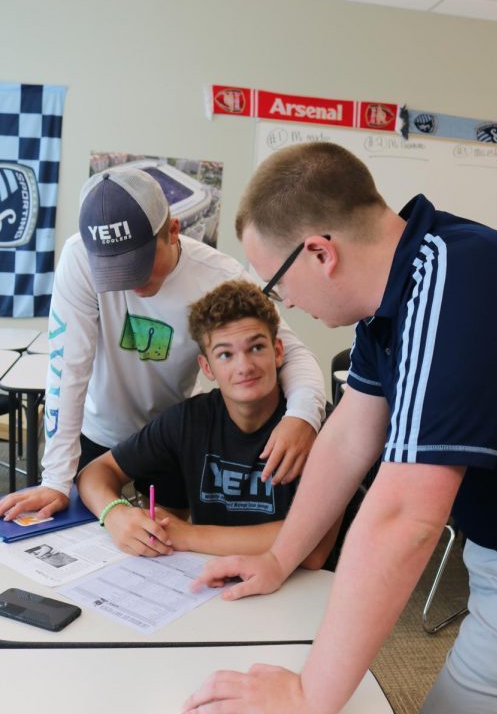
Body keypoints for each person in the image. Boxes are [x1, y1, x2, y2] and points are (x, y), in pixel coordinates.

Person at [179, 142, 497, 714]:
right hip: (494, 549)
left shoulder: (451, 276)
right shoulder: (401, 291)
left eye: (277, 284)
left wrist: (309, 698)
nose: (285, 304)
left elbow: (402, 517)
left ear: (318, 252)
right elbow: (350, 437)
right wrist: (277, 557)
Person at [0, 166, 326, 523]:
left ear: (173, 231)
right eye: (115, 268)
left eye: (140, 263)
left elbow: (290, 351)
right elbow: (68, 366)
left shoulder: (218, 275)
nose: (130, 281)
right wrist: (55, 480)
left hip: (169, 433)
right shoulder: (79, 258)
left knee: (168, 533)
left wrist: (302, 416)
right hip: (97, 427)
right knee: (88, 532)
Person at [76, 280, 338, 567]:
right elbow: (95, 473)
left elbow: (313, 550)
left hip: (302, 592)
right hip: (213, 584)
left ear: (278, 352)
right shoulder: (189, 420)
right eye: (226, 354)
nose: (244, 367)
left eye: (256, 348)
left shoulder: (314, 427)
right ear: (207, 367)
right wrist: (114, 514)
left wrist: (188, 535)